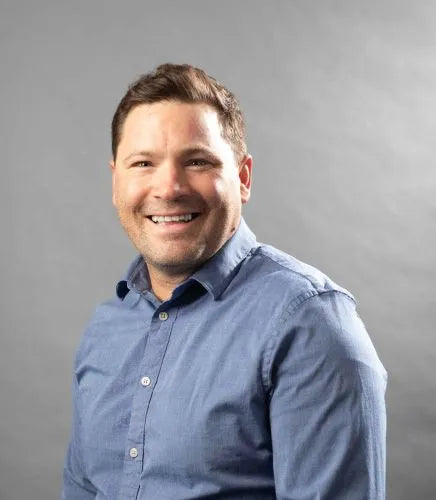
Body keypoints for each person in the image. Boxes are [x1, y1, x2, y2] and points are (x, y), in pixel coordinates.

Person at [62, 63, 387, 500]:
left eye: (197, 161)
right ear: (116, 181)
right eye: (143, 163)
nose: (169, 188)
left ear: (243, 178)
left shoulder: (309, 324)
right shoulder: (106, 329)